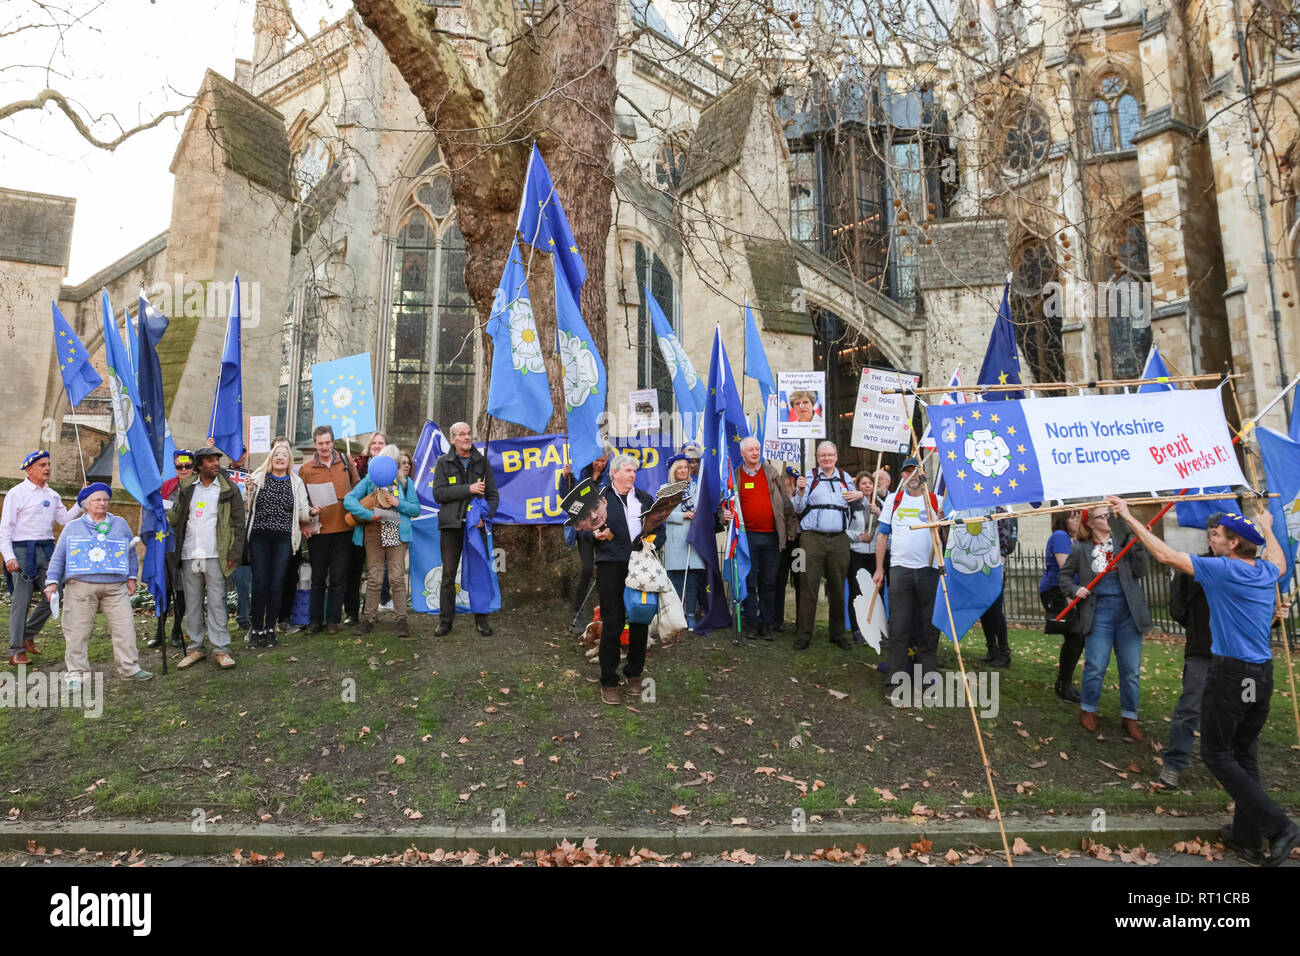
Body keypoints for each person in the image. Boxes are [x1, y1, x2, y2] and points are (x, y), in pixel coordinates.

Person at [1108, 497, 1300, 865]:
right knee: (1244, 753)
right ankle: (1246, 838)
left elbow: (1165, 556)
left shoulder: (1224, 570)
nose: (1212, 539)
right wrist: (1269, 528)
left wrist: (1130, 518)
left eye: (1219, 536)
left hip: (1232, 675)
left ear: (1232, 544)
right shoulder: (1263, 571)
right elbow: (1279, 561)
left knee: (1215, 752)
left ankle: (1279, 826)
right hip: (1260, 676)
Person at [42, 483, 152, 685]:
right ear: (86, 504)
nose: (102, 503)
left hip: (115, 587)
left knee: (125, 628)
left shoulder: (120, 524)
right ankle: (76, 673)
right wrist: (52, 582)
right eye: (97, 500)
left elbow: (130, 553)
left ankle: (130, 668)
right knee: (77, 631)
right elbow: (59, 557)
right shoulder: (72, 527)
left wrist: (131, 577)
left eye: (105, 499)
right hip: (80, 587)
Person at [1060, 503, 1150, 738]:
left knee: (1130, 670)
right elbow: (1065, 576)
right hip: (1099, 613)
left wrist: (1139, 545)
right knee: (1096, 666)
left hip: (1128, 614)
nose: (1109, 519)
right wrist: (1075, 589)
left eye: (1110, 515)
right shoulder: (1081, 550)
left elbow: (1141, 571)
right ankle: (1088, 709)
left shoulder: (1125, 544)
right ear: (1090, 522)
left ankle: (1130, 716)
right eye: (1103, 516)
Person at [169, 445, 246, 670]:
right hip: (190, 553)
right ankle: (195, 648)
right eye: (210, 460)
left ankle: (222, 649)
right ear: (199, 465)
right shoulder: (186, 488)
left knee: (217, 602)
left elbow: (238, 525)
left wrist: (234, 552)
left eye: (217, 460)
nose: (215, 464)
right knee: (192, 602)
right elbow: (175, 517)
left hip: (216, 554)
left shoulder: (228, 489)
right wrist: (157, 507)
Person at [1159, 513, 1220, 789]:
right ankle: (1174, 764)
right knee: (1189, 709)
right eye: (1212, 533)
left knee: (1236, 710)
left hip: (1236, 658)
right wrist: (1198, 628)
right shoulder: (1194, 567)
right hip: (1201, 651)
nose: (1214, 538)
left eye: (1219, 533)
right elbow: (1178, 607)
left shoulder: (1245, 569)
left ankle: (1231, 764)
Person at [1, 450, 80, 665]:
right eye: (42, 465)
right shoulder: (16, 493)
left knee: (57, 592)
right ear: (29, 469)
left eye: (48, 464)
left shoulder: (53, 495)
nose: (47, 468)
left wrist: (81, 502)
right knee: (21, 601)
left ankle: (27, 634)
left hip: (47, 550)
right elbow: (5, 528)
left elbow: (64, 519)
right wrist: (9, 556)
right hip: (22, 550)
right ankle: (16, 650)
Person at [873, 462, 944, 684]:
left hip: (929, 571)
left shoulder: (936, 501)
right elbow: (883, 535)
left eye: (917, 471)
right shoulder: (895, 501)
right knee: (899, 625)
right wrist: (878, 569)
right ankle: (896, 676)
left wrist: (943, 522)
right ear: (902, 474)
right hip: (900, 570)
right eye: (908, 471)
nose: (912, 475)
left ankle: (927, 675)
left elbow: (948, 538)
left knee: (928, 625)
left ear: (924, 475)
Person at [592, 454, 655, 704]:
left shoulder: (644, 499)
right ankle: (608, 680)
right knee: (613, 622)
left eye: (634, 471)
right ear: (615, 473)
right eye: (627, 470)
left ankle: (634, 674)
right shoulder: (599, 499)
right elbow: (586, 531)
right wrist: (597, 535)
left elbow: (657, 528)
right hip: (610, 565)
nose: (632, 474)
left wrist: (652, 542)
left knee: (640, 619)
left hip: (640, 565)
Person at [791, 441, 864, 651]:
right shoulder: (809, 477)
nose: (826, 459)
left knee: (838, 587)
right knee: (808, 585)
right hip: (811, 538)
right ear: (817, 457)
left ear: (836, 456)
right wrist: (800, 491)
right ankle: (804, 634)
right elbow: (797, 507)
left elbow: (858, 506)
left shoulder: (845, 478)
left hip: (839, 539)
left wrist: (860, 495)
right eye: (822, 455)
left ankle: (837, 634)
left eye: (830, 455)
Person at [242, 440, 313, 649]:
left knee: (276, 583)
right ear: (271, 458)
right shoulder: (257, 477)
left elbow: (302, 511)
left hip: (284, 538)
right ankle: (256, 630)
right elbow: (246, 506)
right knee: (260, 583)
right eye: (277, 454)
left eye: (284, 454)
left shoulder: (296, 482)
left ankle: (270, 629)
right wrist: (248, 491)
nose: (280, 457)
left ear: (289, 459)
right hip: (259, 537)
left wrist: (312, 513)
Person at [431, 421, 499, 636]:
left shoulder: (482, 462)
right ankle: (445, 621)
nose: (467, 437)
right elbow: (439, 494)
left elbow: (493, 496)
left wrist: (485, 517)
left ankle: (481, 619)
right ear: (452, 439)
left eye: (469, 433)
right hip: (451, 526)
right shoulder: (443, 462)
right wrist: (467, 489)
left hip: (475, 529)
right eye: (461, 434)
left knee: (479, 572)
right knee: (448, 575)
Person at [346, 443, 421, 637]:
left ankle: (401, 620)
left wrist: (398, 503)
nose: (393, 467)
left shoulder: (405, 482)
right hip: (373, 532)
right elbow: (349, 500)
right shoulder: (370, 479)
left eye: (395, 463)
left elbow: (416, 509)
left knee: (396, 577)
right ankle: (369, 619)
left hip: (396, 532)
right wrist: (367, 514)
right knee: (375, 577)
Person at [729, 437, 797, 640]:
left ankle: (766, 624)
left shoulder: (772, 473)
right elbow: (725, 505)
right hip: (747, 537)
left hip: (772, 536)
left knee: (769, 581)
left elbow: (785, 502)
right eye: (750, 449)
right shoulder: (736, 476)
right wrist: (723, 515)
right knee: (749, 581)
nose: (755, 452)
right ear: (742, 453)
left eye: (757, 449)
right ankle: (751, 622)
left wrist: (791, 528)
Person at [298, 425, 361, 635]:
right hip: (318, 530)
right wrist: (304, 521)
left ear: (333, 442)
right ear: (315, 444)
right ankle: (315, 620)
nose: (324, 447)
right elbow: (300, 501)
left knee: (338, 577)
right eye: (320, 443)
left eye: (327, 442)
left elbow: (358, 488)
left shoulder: (346, 461)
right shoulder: (305, 469)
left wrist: (350, 498)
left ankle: (333, 620)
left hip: (343, 528)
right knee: (317, 578)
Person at [560, 448, 612, 634]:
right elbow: (565, 496)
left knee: (606, 571)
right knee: (587, 570)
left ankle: (604, 614)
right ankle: (578, 613)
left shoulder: (609, 477)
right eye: (597, 460)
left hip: (605, 528)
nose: (599, 464)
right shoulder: (581, 473)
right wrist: (564, 477)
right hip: (585, 531)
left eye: (603, 461)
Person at [151, 449, 195, 650]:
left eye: (187, 466)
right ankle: (159, 631)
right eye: (179, 466)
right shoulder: (167, 486)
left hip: (187, 544)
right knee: (164, 587)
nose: (183, 470)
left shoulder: (197, 487)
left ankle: (177, 629)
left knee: (182, 589)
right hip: (166, 544)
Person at [1039, 509, 1084, 701]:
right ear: (1064, 520)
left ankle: (1065, 683)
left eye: (1079, 517)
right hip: (1057, 591)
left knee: (1077, 636)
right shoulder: (1060, 536)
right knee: (1076, 634)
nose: (1078, 521)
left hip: (1068, 591)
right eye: (1073, 517)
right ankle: (1063, 684)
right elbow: (1064, 566)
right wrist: (1070, 594)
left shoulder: (1076, 541)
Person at [659, 454, 703, 633]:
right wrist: (682, 516)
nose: (684, 470)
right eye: (680, 468)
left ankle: (691, 615)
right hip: (676, 540)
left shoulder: (696, 487)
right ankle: (676, 616)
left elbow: (704, 506)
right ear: (674, 471)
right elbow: (660, 513)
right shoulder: (666, 488)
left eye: (686, 467)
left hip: (693, 539)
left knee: (692, 579)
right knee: (675, 580)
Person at [347, 431, 388, 623]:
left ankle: (371, 609)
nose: (378, 446)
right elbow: (351, 494)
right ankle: (351, 612)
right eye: (374, 443)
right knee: (354, 569)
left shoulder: (392, 467)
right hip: (360, 527)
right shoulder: (358, 464)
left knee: (376, 571)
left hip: (383, 527)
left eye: (381, 443)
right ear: (369, 447)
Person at [846, 471, 878, 645]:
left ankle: (873, 628)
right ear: (858, 487)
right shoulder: (852, 505)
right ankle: (857, 630)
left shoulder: (879, 504)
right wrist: (858, 536)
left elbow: (888, 526)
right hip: (856, 553)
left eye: (870, 483)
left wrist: (878, 511)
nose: (867, 486)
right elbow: (844, 529)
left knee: (873, 594)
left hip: (874, 555)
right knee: (856, 593)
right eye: (863, 483)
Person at [776, 465, 803, 631]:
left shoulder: (802, 495)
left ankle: (802, 621)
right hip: (781, 543)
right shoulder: (777, 496)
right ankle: (777, 619)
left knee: (800, 581)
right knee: (779, 580)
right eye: (788, 478)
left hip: (798, 543)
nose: (790, 482)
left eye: (793, 479)